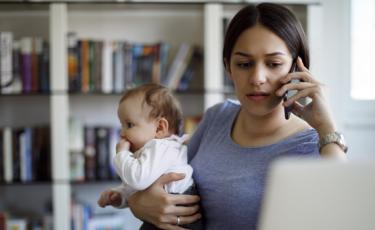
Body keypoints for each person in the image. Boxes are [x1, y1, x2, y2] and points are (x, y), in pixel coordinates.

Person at [108, 3, 348, 230]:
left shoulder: (315, 144)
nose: (257, 78)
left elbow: (344, 215)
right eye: (244, 64)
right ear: (228, 67)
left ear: (296, 69)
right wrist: (139, 203)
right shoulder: (217, 117)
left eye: (274, 63)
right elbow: (165, 173)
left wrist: (326, 127)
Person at [97, 83, 203, 230]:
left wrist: (121, 154)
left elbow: (138, 180)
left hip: (181, 214)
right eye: (122, 125)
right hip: (166, 210)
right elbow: (141, 189)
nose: (122, 133)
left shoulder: (162, 147)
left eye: (129, 125)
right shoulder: (150, 152)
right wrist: (120, 196)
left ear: (159, 128)